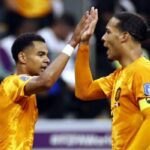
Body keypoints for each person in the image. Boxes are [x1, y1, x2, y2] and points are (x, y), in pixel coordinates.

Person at [0, 8, 91, 149]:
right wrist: (72, 43)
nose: (47, 60)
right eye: (41, 54)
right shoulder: (13, 82)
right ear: (22, 57)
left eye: (47, 55)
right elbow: (46, 82)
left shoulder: (28, 89)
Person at [75, 7, 150, 150]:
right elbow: (84, 91)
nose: (103, 38)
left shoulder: (143, 70)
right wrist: (84, 44)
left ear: (124, 36)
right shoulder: (118, 75)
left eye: (108, 32)